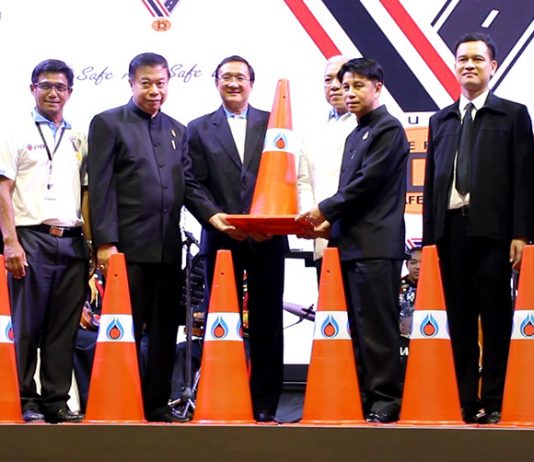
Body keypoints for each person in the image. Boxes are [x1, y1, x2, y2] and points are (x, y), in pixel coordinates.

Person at [87, 52, 228, 422]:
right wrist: (105, 243)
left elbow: (189, 186)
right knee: (125, 330)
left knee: (165, 330)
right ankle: (121, 401)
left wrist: (214, 216)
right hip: (125, 250)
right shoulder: (107, 123)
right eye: (146, 83)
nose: (154, 91)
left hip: (167, 249)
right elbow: (101, 187)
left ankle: (156, 404)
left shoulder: (178, 130)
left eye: (160, 83)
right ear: (131, 83)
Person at [423, 32, 534, 424]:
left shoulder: (513, 115)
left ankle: (496, 397)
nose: (468, 65)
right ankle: (465, 400)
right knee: (459, 319)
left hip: (494, 233)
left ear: (493, 66)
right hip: (450, 231)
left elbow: (524, 179)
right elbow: (431, 183)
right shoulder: (440, 120)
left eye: (477, 59)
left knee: (496, 316)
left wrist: (521, 233)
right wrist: (429, 242)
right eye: (462, 59)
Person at [298, 57, 409, 423]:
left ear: (378, 87)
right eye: (345, 86)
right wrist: (329, 224)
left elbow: (366, 184)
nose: (349, 92)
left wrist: (324, 211)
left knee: (377, 328)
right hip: (348, 244)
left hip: (376, 245)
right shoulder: (354, 134)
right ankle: (362, 396)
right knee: (355, 330)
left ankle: (386, 399)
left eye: (358, 85)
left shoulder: (388, 129)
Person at [186, 55, 289, 422]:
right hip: (221, 237)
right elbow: (190, 181)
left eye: (240, 77)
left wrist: (275, 222)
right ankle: (220, 396)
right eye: (226, 77)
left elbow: (288, 174)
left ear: (251, 83)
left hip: (267, 238)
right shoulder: (198, 128)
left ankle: (265, 405)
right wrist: (213, 217)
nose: (233, 83)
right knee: (220, 320)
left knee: (267, 322)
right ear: (216, 82)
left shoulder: (274, 123)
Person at [0, 59, 89, 423]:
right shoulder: (13, 132)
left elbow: (86, 193)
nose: (54, 93)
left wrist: (91, 244)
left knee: (63, 327)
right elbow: (3, 189)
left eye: (61, 87)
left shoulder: (78, 136)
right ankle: (25, 399)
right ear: (32, 89)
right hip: (31, 237)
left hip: (71, 241)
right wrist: (10, 242)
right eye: (46, 86)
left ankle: (56, 400)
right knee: (26, 325)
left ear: (70, 92)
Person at [297, 55, 357, 274]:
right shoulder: (312, 130)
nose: (334, 86)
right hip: (322, 238)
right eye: (327, 79)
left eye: (340, 78)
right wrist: (311, 220)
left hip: (360, 238)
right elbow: (304, 182)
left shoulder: (370, 126)